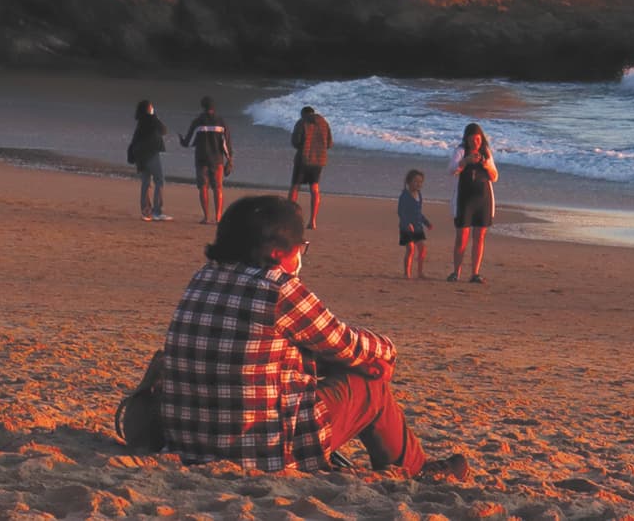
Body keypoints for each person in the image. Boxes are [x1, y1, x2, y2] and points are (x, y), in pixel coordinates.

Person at [154, 195, 466, 478]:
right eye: (301, 246)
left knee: (329, 361)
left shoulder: (204, 276)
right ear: (278, 252)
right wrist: (383, 357)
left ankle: (409, 462)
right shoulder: (277, 289)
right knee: (370, 388)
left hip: (190, 440)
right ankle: (417, 469)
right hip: (259, 449)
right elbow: (346, 343)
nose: (303, 254)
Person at [448, 123, 497, 283]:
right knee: (461, 237)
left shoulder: (486, 153)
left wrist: (485, 165)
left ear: (481, 139)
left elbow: (494, 176)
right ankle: (456, 272)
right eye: (472, 139)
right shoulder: (461, 151)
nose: (475, 143)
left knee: (479, 237)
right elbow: (451, 170)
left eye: (477, 139)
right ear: (467, 139)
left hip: (483, 200)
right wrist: (465, 162)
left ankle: (475, 273)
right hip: (464, 199)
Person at [183, 98, 234, 224]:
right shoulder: (221, 122)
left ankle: (206, 217)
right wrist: (229, 159)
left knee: (203, 187)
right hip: (217, 160)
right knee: (218, 188)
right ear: (213, 107)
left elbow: (189, 142)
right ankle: (218, 217)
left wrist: (182, 141)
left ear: (202, 107)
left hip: (201, 159)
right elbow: (225, 144)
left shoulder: (197, 121)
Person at [288, 106, 333, 230]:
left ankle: (289, 218)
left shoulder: (302, 122)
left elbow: (295, 142)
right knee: (314, 189)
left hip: (303, 159)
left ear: (303, 114)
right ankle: (313, 221)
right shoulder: (324, 123)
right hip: (319, 160)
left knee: (295, 188)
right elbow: (329, 143)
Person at [130, 100, 172, 221]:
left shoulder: (141, 121)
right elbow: (164, 130)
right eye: (151, 107)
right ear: (148, 109)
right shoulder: (151, 119)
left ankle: (146, 211)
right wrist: (154, 116)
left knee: (146, 182)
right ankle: (157, 211)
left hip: (140, 155)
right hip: (150, 154)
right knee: (159, 180)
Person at [397, 170, 429, 278]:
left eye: (420, 182)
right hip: (406, 227)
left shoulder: (419, 195)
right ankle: (407, 273)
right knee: (410, 249)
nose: (418, 184)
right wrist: (407, 224)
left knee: (422, 249)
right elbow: (401, 212)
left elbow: (419, 212)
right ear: (409, 182)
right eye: (416, 181)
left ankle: (420, 272)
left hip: (418, 227)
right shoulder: (404, 195)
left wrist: (426, 222)